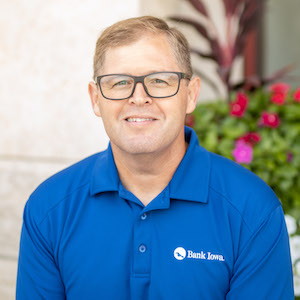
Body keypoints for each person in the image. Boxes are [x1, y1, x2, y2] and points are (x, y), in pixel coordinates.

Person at [16, 16, 294, 299]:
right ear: (95, 98)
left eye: (159, 81)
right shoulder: (49, 208)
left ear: (191, 94)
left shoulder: (251, 210)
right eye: (120, 82)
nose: (138, 97)